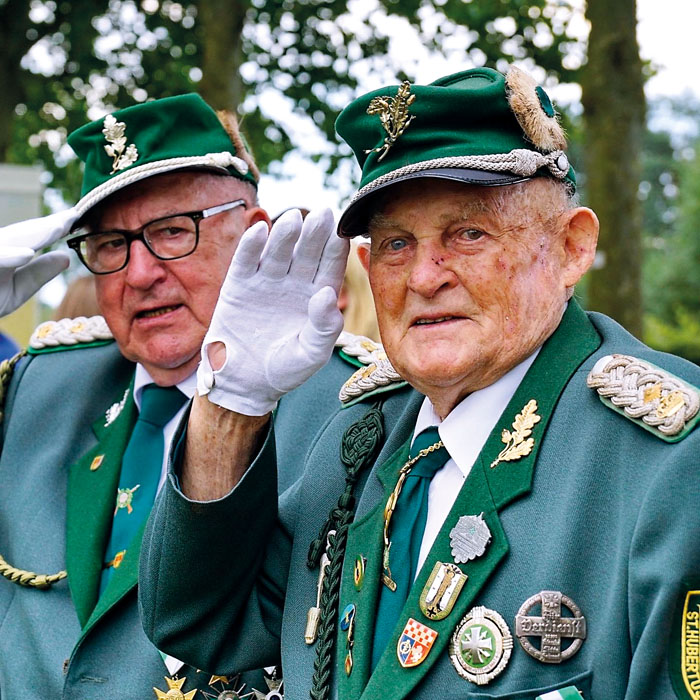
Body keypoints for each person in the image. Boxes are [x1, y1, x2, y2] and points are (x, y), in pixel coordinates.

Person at [140, 66, 700, 700]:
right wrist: (232, 404)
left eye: (468, 233)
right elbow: (203, 624)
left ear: (570, 248)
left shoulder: (670, 463)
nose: (425, 277)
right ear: (365, 267)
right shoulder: (365, 435)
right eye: (397, 244)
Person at [0, 94, 350, 699]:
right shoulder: (40, 387)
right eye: (110, 244)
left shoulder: (346, 410)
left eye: (170, 232)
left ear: (254, 232)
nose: (139, 273)